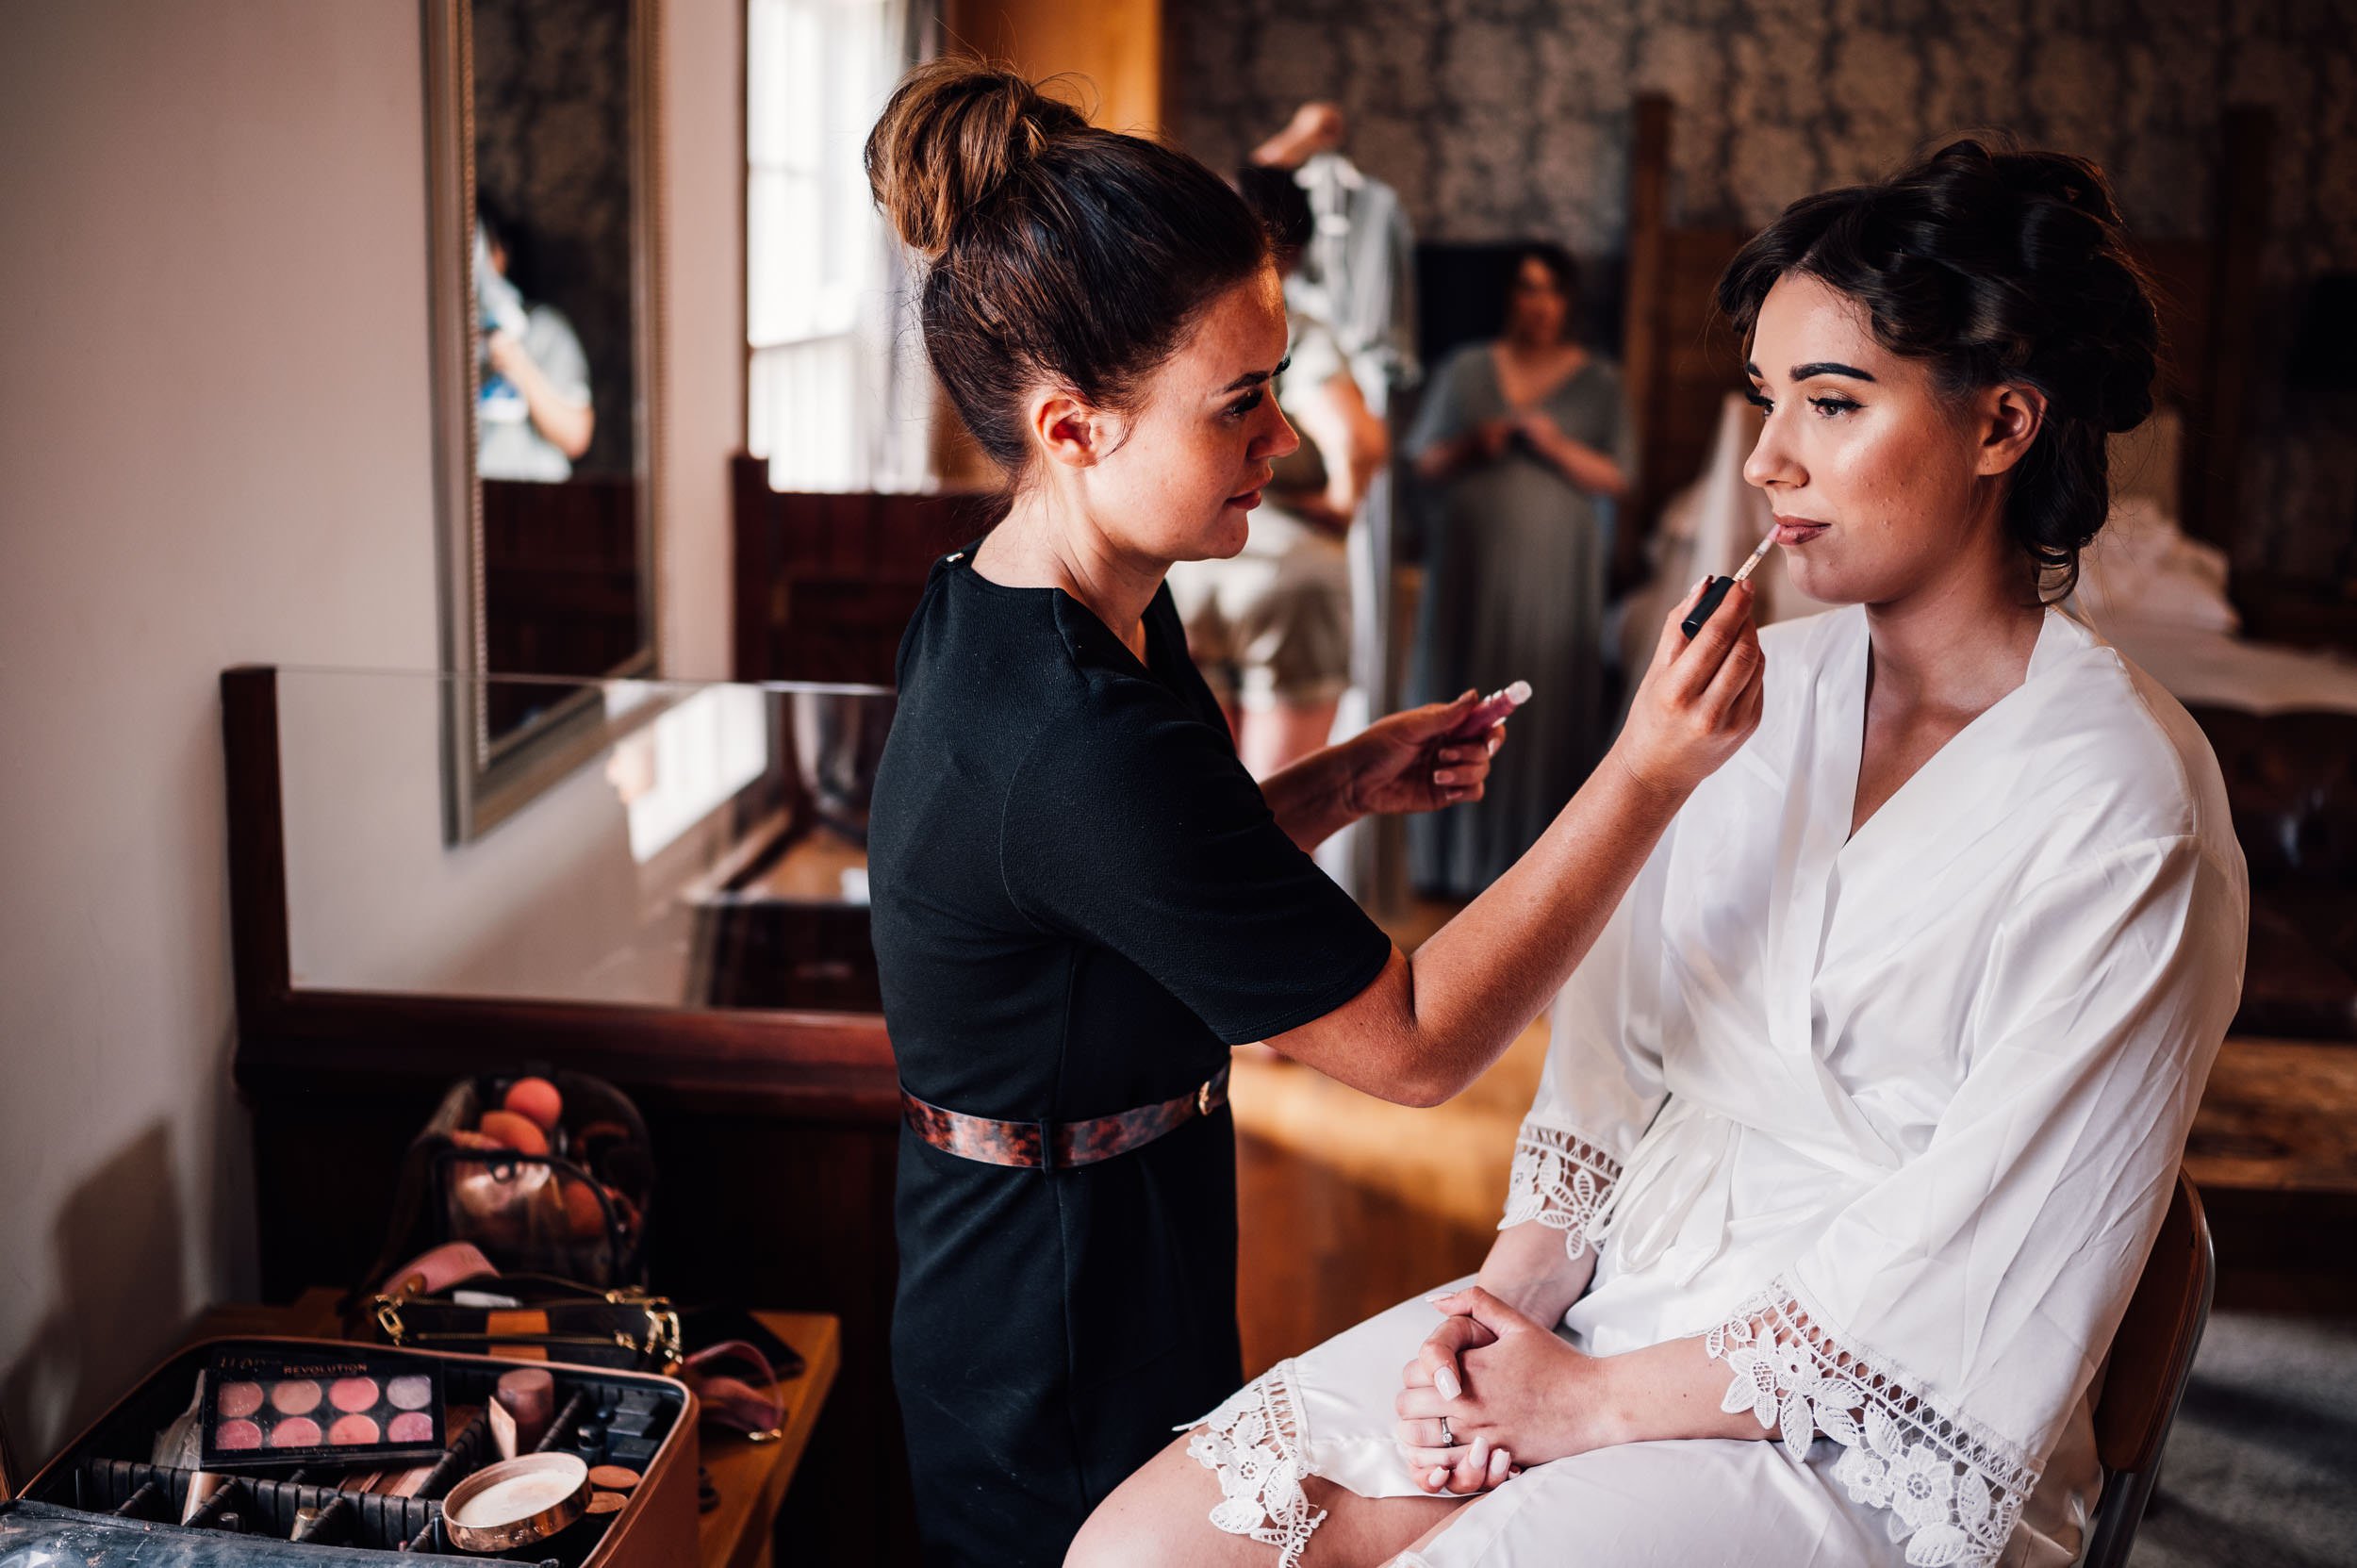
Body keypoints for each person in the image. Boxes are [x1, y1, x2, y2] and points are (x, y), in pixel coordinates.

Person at [1072, 140, 2250, 1568]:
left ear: (2004, 424)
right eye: (1768, 398)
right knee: (1141, 1545)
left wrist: (1587, 1403)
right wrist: (1509, 1302)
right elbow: (1612, 1060)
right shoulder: (1753, 700)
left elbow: (1975, 1272)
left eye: (1831, 401)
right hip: (1607, 1297)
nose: (1766, 458)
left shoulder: (2130, 807)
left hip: (1863, 1423)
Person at [860, 61, 1764, 1568]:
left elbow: (1143, 890)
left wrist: (1341, 780)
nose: (1286, 441)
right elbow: (1411, 1046)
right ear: (1074, 423)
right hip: (1049, 1299)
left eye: (1274, 383)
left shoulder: (1046, 602)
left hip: (1124, 1210)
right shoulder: (1070, 728)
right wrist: (1646, 772)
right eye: (1241, 403)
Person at [1406, 245, 1629, 899]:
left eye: (1551, 290)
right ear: (1510, 297)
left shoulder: (1600, 383)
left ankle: (1536, 869)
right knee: (1463, 695)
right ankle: (1448, 864)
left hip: (1556, 575)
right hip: (1471, 569)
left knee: (1545, 698)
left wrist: (1555, 444)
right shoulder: (1468, 369)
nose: (1538, 304)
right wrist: (1478, 442)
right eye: (1526, 289)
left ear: (1568, 302)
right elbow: (1422, 461)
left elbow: (1617, 476)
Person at [1168, 166, 1381, 775]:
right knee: (1278, 823)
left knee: (1205, 808)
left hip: (1191, 571)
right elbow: (1358, 438)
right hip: (1286, 575)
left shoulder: (1180, 326)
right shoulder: (1294, 330)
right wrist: (1341, 503)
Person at [474, 206, 594, 482]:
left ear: (500, 253)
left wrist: (518, 366)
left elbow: (576, 435)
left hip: (535, 506)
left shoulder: (545, 330)